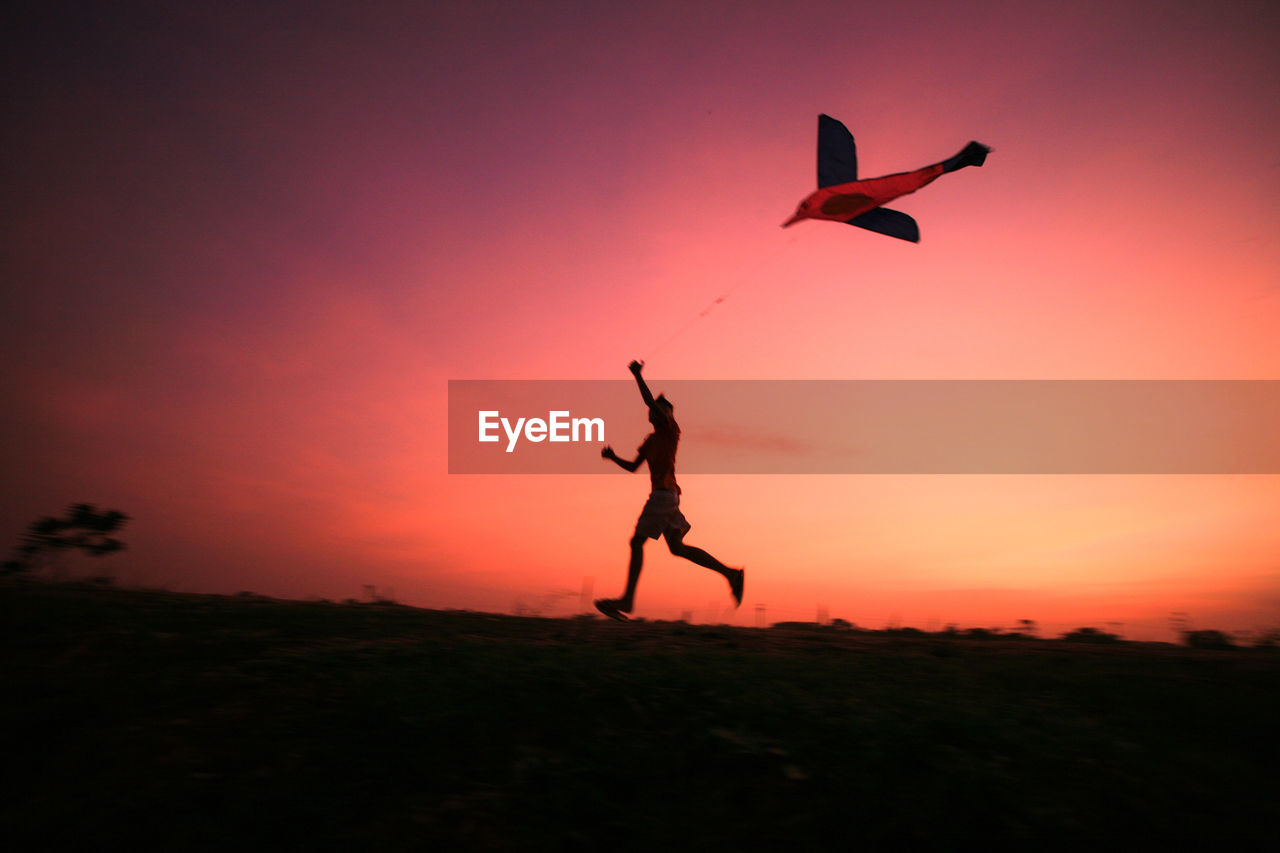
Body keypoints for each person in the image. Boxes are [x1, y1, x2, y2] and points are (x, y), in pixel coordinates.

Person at [596, 360, 743, 621]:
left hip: (663, 496)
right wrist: (613, 457)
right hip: (669, 496)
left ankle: (627, 601)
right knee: (677, 548)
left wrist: (638, 376)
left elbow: (649, 402)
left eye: (662, 409)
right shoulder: (652, 440)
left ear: (667, 415)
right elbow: (632, 467)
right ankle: (732, 574)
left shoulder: (670, 430)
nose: (656, 411)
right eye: (657, 409)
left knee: (637, 542)